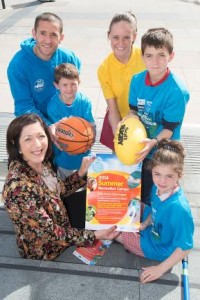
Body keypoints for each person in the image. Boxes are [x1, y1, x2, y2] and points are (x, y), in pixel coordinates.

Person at [1, 114, 119, 260]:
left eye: (41, 136)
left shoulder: (38, 162)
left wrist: (81, 173)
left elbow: (59, 189)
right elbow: (51, 234)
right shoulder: (18, 189)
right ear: (17, 145)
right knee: (102, 207)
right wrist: (94, 236)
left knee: (102, 193)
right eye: (28, 139)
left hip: (59, 216)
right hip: (48, 250)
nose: (38, 144)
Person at [116, 139, 194, 283]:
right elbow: (155, 207)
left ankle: (120, 236)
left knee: (114, 231)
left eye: (169, 176)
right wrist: (145, 223)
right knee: (126, 201)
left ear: (179, 176)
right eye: (157, 174)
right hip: (153, 226)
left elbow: (186, 246)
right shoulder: (157, 187)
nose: (162, 181)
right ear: (151, 170)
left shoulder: (179, 208)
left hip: (158, 248)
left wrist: (160, 269)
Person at [126, 27, 190, 205]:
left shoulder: (177, 91)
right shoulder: (137, 80)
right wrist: (129, 120)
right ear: (142, 57)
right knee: (141, 193)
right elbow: (134, 111)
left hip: (165, 150)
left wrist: (152, 143)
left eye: (161, 55)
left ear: (171, 55)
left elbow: (169, 129)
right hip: (142, 146)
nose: (155, 61)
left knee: (163, 195)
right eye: (149, 55)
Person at [7, 12, 81, 141]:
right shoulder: (18, 65)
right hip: (34, 124)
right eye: (42, 33)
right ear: (34, 33)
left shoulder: (69, 58)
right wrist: (48, 127)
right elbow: (24, 107)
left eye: (53, 35)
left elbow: (74, 91)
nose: (47, 40)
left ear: (61, 38)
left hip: (63, 122)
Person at [47, 63, 95, 228]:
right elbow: (58, 133)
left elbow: (91, 127)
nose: (69, 88)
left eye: (73, 84)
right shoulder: (53, 105)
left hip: (84, 158)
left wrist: (88, 137)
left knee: (84, 190)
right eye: (64, 85)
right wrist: (69, 141)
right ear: (56, 85)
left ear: (79, 82)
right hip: (64, 159)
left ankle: (84, 218)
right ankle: (66, 217)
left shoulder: (85, 102)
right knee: (66, 190)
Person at [97, 12, 145, 144]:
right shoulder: (104, 68)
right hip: (121, 122)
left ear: (134, 36)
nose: (120, 43)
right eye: (115, 37)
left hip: (148, 122)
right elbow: (112, 110)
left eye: (126, 37)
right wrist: (119, 137)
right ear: (109, 36)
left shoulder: (146, 57)